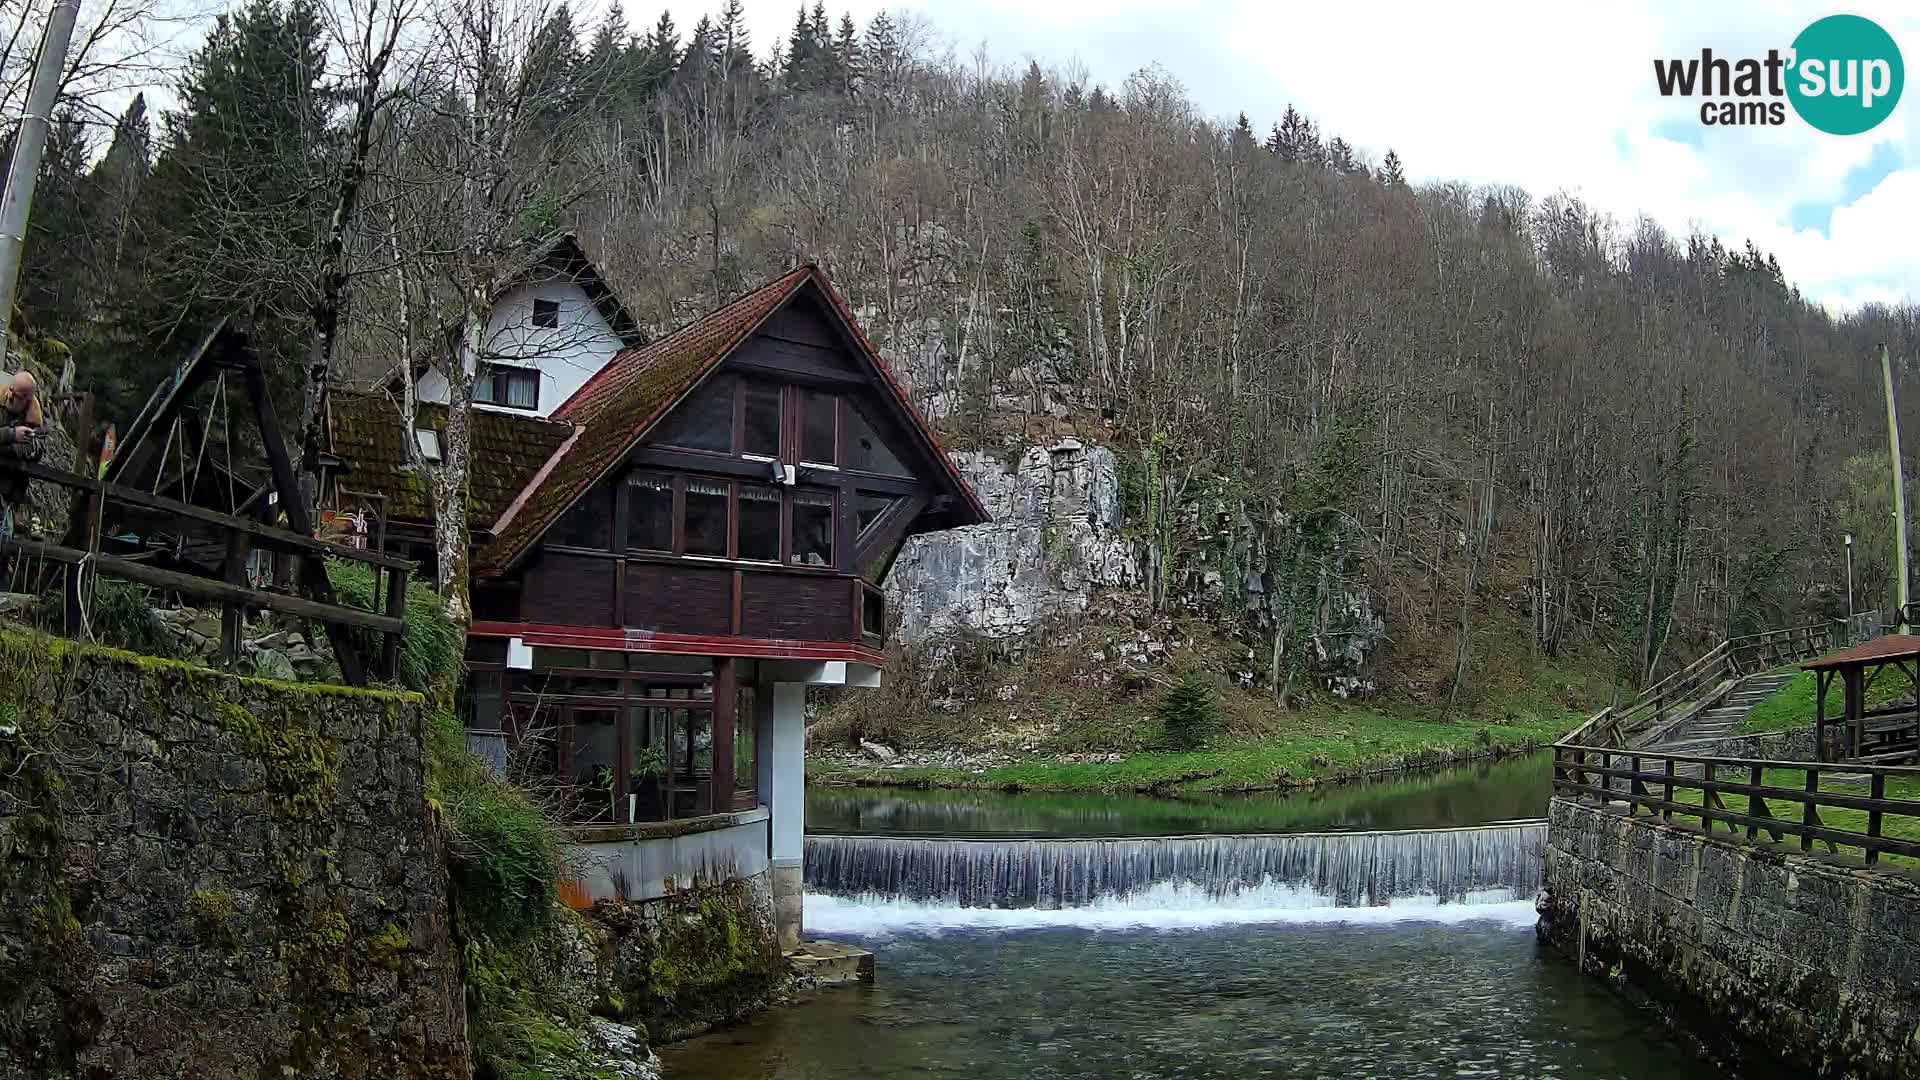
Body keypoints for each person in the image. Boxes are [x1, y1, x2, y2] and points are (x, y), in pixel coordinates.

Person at [0, 370, 46, 537]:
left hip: (9, 490)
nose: (10, 396)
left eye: (17, 395)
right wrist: (12, 435)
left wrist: (8, 448)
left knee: (5, 539)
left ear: (27, 400)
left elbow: (35, 450)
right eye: (11, 389)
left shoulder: (34, 417)